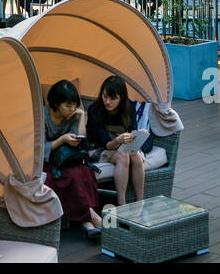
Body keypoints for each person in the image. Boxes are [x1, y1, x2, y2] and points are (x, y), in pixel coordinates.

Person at [43, 79, 103, 237]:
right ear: (56, 103)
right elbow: (38, 148)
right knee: (71, 176)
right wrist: (62, 139)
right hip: (47, 160)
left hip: (68, 158)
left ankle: (87, 222)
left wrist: (82, 115)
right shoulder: (42, 117)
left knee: (85, 171)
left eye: (75, 105)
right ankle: (91, 219)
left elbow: (80, 139)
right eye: (68, 105)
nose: (72, 109)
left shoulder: (74, 114)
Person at [86, 75, 152, 207]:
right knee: (124, 155)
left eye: (113, 98)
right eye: (105, 96)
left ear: (121, 97)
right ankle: (122, 205)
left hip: (122, 147)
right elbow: (106, 144)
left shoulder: (129, 108)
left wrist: (139, 135)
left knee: (134, 155)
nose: (107, 101)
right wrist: (118, 140)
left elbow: (132, 132)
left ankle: (140, 202)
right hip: (99, 149)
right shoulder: (95, 110)